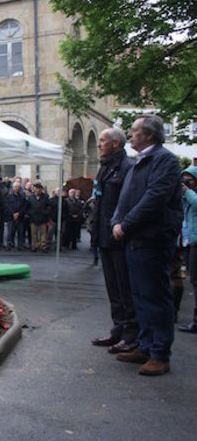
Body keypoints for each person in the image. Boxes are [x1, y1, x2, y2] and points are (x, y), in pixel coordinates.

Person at [112, 115, 183, 376]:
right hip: (136, 239)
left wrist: (125, 224)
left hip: (152, 239)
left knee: (155, 296)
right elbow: (125, 198)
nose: (130, 135)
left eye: (134, 131)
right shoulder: (139, 162)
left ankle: (159, 353)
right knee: (140, 296)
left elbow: (154, 199)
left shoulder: (164, 160)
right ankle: (145, 345)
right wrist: (116, 221)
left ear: (149, 135)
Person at [90, 128, 138, 354]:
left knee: (124, 287)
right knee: (112, 288)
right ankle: (118, 328)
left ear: (116, 144)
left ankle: (130, 334)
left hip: (118, 239)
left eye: (102, 141)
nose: (99, 144)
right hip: (104, 238)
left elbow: (128, 203)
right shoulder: (106, 166)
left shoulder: (127, 168)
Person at [178, 165, 197, 333]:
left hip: (195, 241)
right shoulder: (185, 197)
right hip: (185, 242)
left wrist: (188, 191)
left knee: (195, 280)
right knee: (184, 277)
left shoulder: (192, 195)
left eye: (189, 180)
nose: (186, 183)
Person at [26, 182, 49, 252]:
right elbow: (28, 207)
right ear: (34, 189)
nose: (38, 190)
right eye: (36, 189)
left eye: (39, 189)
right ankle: (34, 246)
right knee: (34, 234)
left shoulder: (45, 197)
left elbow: (48, 207)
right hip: (33, 218)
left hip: (42, 218)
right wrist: (30, 213)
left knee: (43, 234)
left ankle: (43, 246)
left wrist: (45, 213)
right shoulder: (30, 197)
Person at [5, 182, 27, 250]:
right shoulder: (9, 197)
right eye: (15, 187)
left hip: (20, 217)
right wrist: (13, 214)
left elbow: (24, 207)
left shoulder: (22, 197)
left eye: (18, 187)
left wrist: (19, 213)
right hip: (11, 217)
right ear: (13, 188)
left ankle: (20, 245)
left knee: (20, 232)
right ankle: (9, 244)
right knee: (10, 232)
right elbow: (7, 206)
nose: (17, 188)